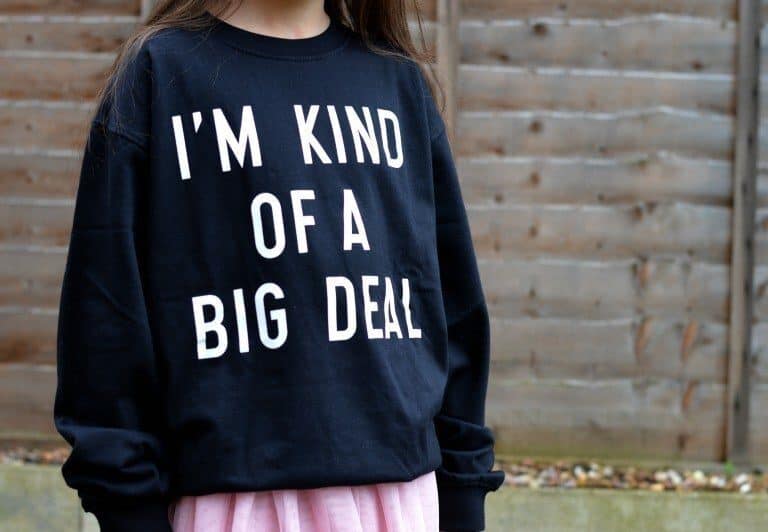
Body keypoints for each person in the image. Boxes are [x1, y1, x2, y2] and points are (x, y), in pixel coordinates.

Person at [54, 0, 505, 530]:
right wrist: (129, 507)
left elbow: (450, 311)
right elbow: (106, 327)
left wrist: (463, 495)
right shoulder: (159, 75)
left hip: (401, 502)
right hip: (229, 503)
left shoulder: (397, 83)